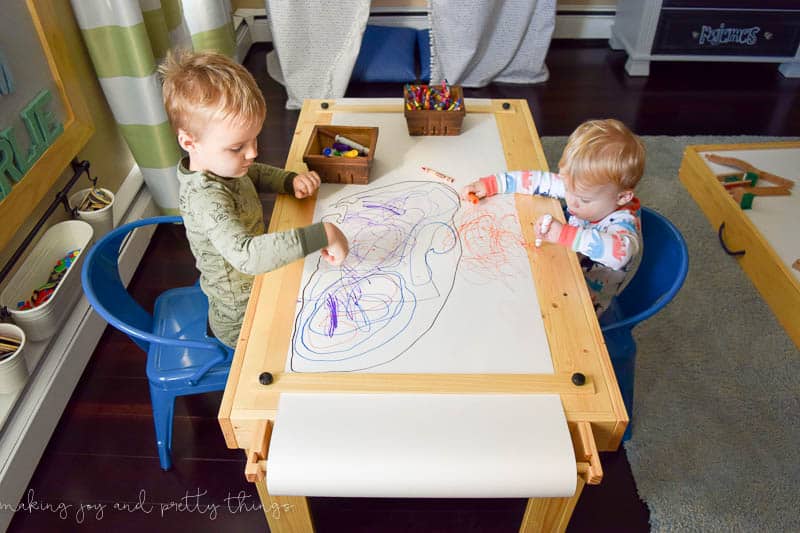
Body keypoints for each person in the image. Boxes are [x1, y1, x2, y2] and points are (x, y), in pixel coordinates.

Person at [159, 49, 349, 347]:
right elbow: (247, 256)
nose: (252, 152)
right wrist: (323, 233)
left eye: (254, 139)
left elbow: (253, 172)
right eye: (237, 148)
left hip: (263, 285)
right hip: (243, 319)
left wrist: (289, 180)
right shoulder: (205, 199)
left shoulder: (224, 166)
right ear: (188, 142)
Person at [461, 119, 645, 316]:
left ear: (622, 197)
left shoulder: (624, 223)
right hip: (563, 266)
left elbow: (621, 253)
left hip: (585, 304)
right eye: (567, 189)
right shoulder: (579, 186)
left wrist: (564, 234)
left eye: (583, 200)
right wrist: (490, 185)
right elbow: (536, 180)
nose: (571, 202)